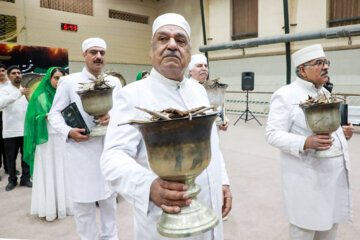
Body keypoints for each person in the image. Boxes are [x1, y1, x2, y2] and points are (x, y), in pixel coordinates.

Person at [101, 13, 232, 240]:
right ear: (151, 50)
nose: (172, 45)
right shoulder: (133, 94)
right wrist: (148, 187)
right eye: (163, 39)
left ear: (189, 53)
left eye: (180, 41)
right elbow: (113, 156)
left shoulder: (199, 91)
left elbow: (213, 143)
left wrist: (222, 181)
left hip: (208, 211)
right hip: (166, 219)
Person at [265, 44, 353, 240]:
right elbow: (272, 133)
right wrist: (305, 142)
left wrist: (341, 133)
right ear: (303, 70)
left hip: (333, 179)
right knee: (304, 230)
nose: (326, 67)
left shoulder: (325, 94)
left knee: (329, 230)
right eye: (319, 63)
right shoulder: (285, 95)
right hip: (307, 181)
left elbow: (327, 127)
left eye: (326, 62)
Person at [48, 38, 121, 239]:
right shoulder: (68, 82)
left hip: (108, 149)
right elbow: (54, 114)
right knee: (83, 204)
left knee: (109, 201)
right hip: (81, 152)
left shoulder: (114, 82)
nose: (98, 56)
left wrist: (112, 117)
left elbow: (122, 111)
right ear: (84, 55)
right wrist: (68, 132)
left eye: (102, 53)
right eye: (93, 52)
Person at [23, 67, 73, 221]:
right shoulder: (39, 96)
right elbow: (31, 119)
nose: (59, 81)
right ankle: (49, 208)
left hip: (62, 139)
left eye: (62, 78)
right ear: (49, 79)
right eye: (56, 78)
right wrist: (43, 116)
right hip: (46, 141)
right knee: (49, 171)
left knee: (63, 171)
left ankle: (65, 205)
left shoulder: (66, 96)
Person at [0, 65, 32, 191]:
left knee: (26, 156)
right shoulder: (4, 90)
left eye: (19, 73)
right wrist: (19, 93)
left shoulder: (26, 90)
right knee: (10, 158)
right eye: (14, 73)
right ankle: (12, 180)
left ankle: (25, 178)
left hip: (26, 130)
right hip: (11, 130)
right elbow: (1, 103)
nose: (17, 75)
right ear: (9, 76)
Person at [188, 54, 229, 131]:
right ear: (190, 71)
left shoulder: (213, 86)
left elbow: (220, 108)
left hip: (214, 131)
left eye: (206, 66)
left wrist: (225, 120)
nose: (204, 69)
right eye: (199, 66)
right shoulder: (186, 88)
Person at [0, 63, 9, 179]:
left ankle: (8, 168)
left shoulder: (11, 85)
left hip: (8, 115)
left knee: (7, 143)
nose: (1, 72)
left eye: (2, 70)